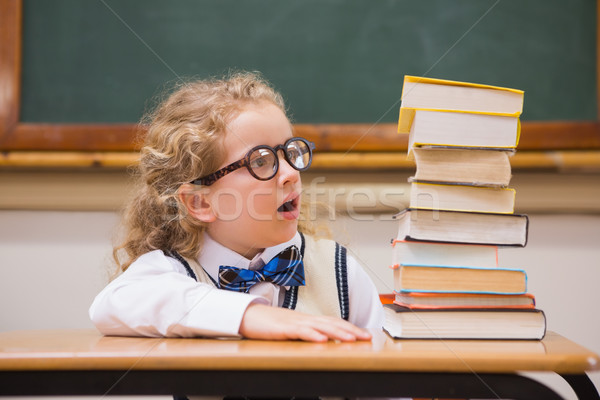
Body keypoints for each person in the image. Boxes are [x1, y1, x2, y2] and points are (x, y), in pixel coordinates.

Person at [89, 71, 384, 343]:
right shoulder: (169, 273)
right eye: (259, 161)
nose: (292, 173)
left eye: (290, 152)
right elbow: (112, 304)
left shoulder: (340, 272)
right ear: (200, 202)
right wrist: (248, 314)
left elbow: (384, 383)